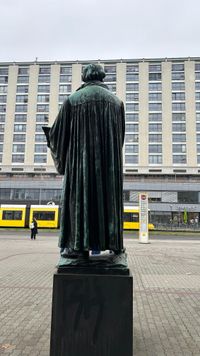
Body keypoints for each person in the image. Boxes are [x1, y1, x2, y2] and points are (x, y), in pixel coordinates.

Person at [46, 63, 125, 258]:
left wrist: (51, 138)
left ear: (85, 77)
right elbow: (120, 138)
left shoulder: (72, 101)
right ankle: (115, 245)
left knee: (79, 201)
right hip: (109, 167)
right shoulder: (117, 103)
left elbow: (58, 135)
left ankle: (78, 247)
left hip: (80, 167)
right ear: (101, 77)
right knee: (109, 201)